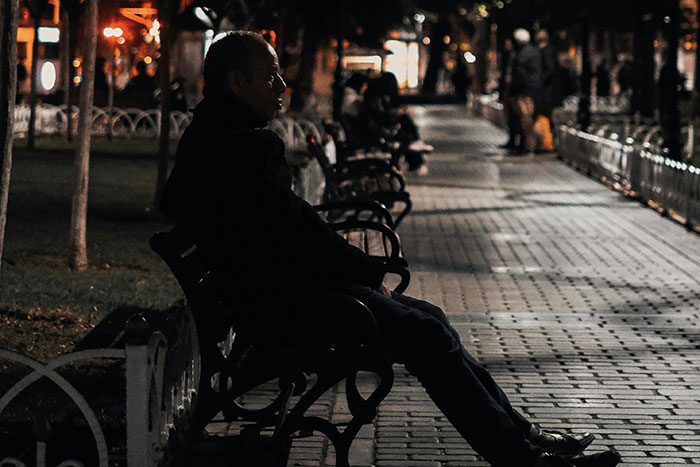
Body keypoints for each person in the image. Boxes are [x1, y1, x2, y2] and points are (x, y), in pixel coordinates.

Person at [160, 31, 622, 467]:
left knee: (433, 322)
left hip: (271, 297)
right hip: (279, 310)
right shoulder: (242, 147)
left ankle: (523, 437)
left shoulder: (215, 138)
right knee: (428, 333)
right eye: (270, 76)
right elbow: (295, 230)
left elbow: (285, 229)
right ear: (236, 81)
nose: (282, 85)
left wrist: (357, 269)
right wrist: (363, 267)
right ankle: (521, 455)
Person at [508, 28, 541, 156]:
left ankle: (531, 145)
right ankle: (534, 143)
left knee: (526, 119)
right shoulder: (534, 51)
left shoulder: (522, 54)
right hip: (532, 90)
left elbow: (520, 75)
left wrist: (514, 91)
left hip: (524, 92)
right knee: (530, 118)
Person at [534, 29, 559, 153]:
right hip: (548, 91)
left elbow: (550, 70)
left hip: (546, 92)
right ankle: (546, 142)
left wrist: (540, 81)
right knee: (545, 116)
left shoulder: (545, 52)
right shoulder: (550, 51)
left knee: (544, 115)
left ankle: (547, 143)